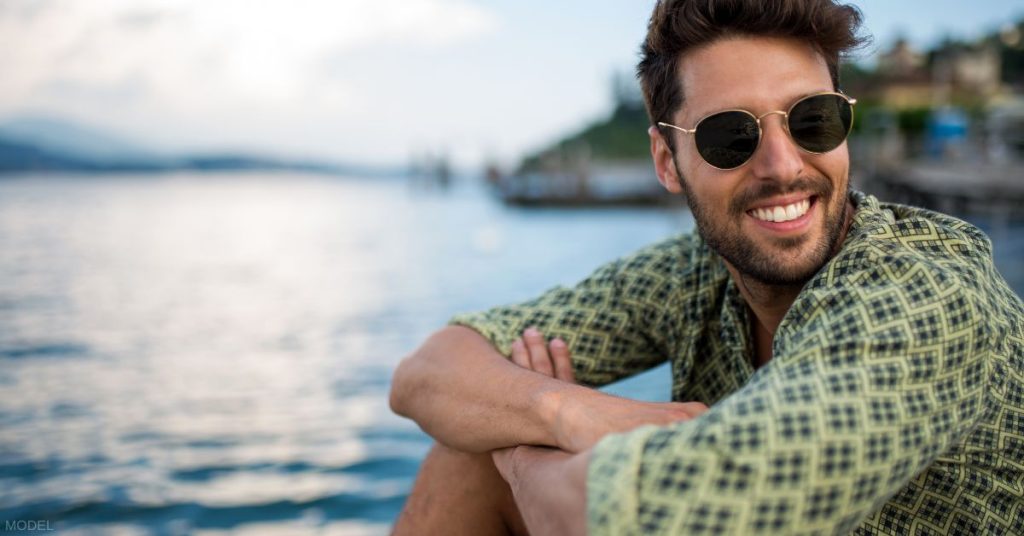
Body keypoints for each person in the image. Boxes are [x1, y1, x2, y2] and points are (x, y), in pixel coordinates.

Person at [389, 0, 1024, 534]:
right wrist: (568, 413)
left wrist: (526, 455)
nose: (782, 165)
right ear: (667, 162)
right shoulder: (695, 271)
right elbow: (426, 374)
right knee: (464, 452)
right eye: (730, 136)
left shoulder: (927, 293)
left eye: (813, 121)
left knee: (497, 436)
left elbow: (627, 516)